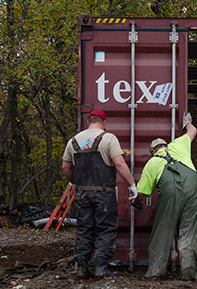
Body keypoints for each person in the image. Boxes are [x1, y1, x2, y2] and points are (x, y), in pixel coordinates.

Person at [62, 110, 138, 280]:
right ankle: (101, 268)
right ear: (104, 122)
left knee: (84, 229)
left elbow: (66, 168)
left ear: (88, 122)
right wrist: (132, 185)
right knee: (105, 228)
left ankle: (82, 268)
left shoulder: (73, 141)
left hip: (82, 193)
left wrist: (76, 183)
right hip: (104, 194)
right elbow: (119, 163)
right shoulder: (108, 138)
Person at [131, 112, 197, 281]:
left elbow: (141, 194)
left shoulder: (152, 162)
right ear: (166, 144)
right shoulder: (179, 143)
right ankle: (189, 272)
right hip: (193, 185)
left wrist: (136, 203)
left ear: (152, 151)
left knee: (163, 229)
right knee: (189, 230)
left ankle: (155, 271)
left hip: (170, 190)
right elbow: (193, 131)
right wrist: (187, 122)